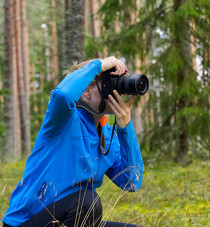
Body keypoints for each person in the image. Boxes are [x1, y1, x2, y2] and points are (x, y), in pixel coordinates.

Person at [2, 56, 144, 227]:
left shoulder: (107, 136)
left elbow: (132, 181)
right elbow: (63, 95)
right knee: (88, 202)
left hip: (71, 219)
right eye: (108, 82)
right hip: (27, 222)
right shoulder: (63, 119)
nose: (115, 90)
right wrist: (100, 65)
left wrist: (125, 127)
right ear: (85, 91)